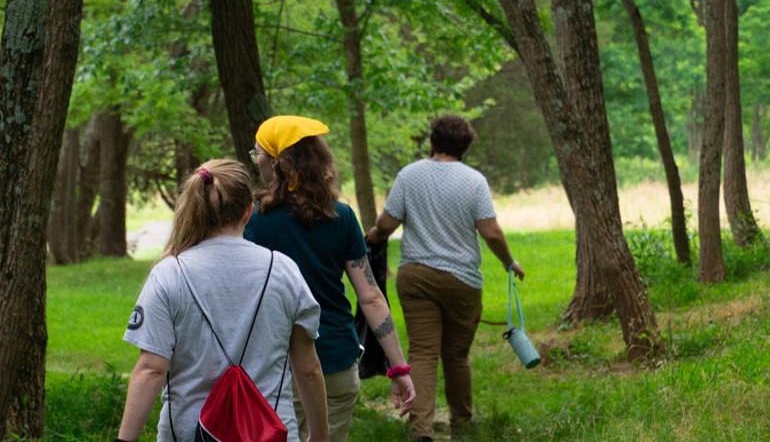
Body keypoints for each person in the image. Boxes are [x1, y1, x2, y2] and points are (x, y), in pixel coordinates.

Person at [117, 159, 329, 442]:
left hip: (189, 433)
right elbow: (309, 368)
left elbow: (151, 370)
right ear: (248, 211)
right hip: (269, 432)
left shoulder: (169, 274)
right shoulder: (283, 270)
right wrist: (320, 435)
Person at [246, 115, 416, 442]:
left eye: (259, 154)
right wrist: (398, 368)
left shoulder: (255, 220)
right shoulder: (341, 216)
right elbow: (371, 297)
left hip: (278, 365)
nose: (258, 162)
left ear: (277, 161)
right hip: (336, 363)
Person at [366, 114, 525, 442]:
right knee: (456, 355)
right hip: (462, 281)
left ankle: (421, 432)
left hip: (416, 277)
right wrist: (510, 262)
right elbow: (491, 232)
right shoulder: (474, 181)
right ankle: (463, 429)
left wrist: (371, 239)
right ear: (464, 146)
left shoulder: (409, 175)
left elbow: (386, 225)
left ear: (433, 141)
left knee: (422, 352)